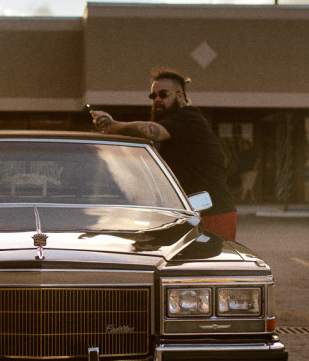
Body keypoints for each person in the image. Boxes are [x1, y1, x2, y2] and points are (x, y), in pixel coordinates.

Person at [89, 68, 237, 240]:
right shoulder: (173, 128)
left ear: (180, 97)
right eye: (153, 96)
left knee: (209, 265)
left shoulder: (189, 118)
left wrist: (111, 125)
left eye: (163, 94)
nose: (157, 99)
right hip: (186, 213)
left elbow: (150, 131)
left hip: (212, 213)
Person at [237, 139, 258, 203]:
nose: (244, 146)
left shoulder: (252, 152)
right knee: (249, 185)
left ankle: (242, 199)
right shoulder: (242, 153)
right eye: (243, 145)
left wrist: (254, 167)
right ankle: (253, 199)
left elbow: (257, 160)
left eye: (245, 145)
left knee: (246, 185)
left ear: (249, 145)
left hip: (250, 171)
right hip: (243, 171)